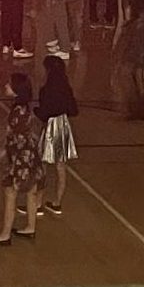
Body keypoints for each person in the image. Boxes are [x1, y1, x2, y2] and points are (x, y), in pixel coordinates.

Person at [0, 73, 44, 246]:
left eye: (9, 85)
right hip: (31, 154)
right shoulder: (27, 108)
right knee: (32, 190)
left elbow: (14, 135)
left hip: (20, 157)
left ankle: (5, 234)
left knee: (10, 192)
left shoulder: (17, 111)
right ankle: (30, 227)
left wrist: (3, 152)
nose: (6, 86)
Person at [38, 56, 80, 213]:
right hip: (63, 125)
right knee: (61, 166)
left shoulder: (46, 90)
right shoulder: (66, 88)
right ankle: (57, 202)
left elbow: (43, 113)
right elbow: (74, 110)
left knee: (42, 164)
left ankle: (37, 203)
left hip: (50, 127)